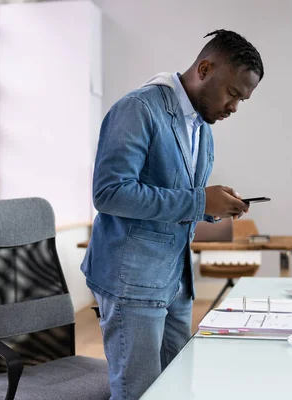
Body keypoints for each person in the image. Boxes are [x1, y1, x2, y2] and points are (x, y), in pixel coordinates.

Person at [80, 29, 264, 400]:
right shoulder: (139, 109)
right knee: (140, 393)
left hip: (175, 283)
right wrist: (200, 202)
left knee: (176, 390)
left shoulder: (202, 127)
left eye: (242, 99)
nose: (234, 107)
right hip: (132, 282)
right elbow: (110, 192)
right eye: (232, 93)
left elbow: (177, 194)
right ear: (205, 68)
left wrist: (216, 207)